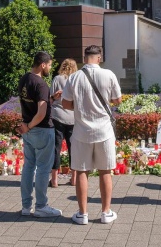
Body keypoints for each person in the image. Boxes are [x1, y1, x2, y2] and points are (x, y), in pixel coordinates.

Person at [62, 45, 122, 224]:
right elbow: (117, 100)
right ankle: (105, 212)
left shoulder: (74, 77)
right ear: (99, 57)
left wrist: (80, 107)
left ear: (85, 57)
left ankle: (82, 214)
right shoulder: (109, 74)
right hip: (104, 130)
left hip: (81, 131)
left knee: (81, 171)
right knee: (105, 171)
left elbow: (65, 104)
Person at [18, 51, 62, 218]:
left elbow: (36, 106)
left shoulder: (24, 79)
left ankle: (26, 206)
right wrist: (29, 126)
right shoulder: (41, 84)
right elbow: (42, 113)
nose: (50, 68)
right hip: (41, 129)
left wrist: (50, 99)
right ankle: (41, 206)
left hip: (28, 131)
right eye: (50, 65)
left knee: (28, 167)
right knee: (43, 169)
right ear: (43, 64)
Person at [49, 58, 78, 187]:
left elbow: (51, 97)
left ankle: (54, 180)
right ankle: (74, 179)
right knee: (74, 148)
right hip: (73, 117)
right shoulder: (77, 79)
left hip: (58, 116)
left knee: (56, 147)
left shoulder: (57, 79)